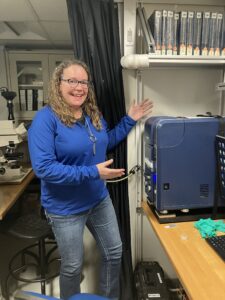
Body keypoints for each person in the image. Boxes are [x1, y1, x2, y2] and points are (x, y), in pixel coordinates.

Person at [28, 59, 153, 300]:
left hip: (97, 199)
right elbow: (44, 169)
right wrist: (93, 172)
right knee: (73, 266)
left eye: (83, 81)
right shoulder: (46, 119)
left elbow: (106, 141)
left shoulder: (91, 114)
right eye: (71, 81)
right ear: (58, 84)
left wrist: (130, 119)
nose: (79, 87)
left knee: (114, 252)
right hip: (65, 209)